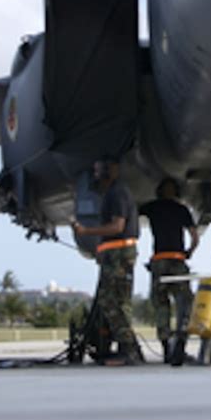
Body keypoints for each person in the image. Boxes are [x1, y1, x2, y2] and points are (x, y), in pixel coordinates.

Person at [72, 157, 143, 366]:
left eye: (100, 170)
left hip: (119, 253)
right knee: (119, 302)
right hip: (116, 253)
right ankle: (130, 349)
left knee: (110, 301)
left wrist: (87, 231)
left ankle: (129, 349)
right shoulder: (113, 193)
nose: (96, 175)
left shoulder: (117, 193)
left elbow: (117, 227)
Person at [139, 177, 199, 365]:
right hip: (177, 261)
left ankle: (166, 347)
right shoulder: (181, 210)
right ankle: (180, 344)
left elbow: (134, 213)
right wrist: (189, 251)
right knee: (184, 304)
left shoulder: (153, 207)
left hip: (159, 261)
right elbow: (195, 236)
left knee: (161, 306)